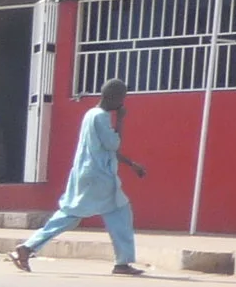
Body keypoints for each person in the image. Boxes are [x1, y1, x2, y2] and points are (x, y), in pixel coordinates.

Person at [13, 78, 149, 275]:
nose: (123, 103)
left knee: (98, 214)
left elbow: (104, 149)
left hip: (91, 174)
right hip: (98, 177)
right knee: (88, 214)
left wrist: (131, 164)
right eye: (122, 98)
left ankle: (27, 248)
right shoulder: (101, 117)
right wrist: (120, 119)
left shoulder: (90, 115)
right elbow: (113, 144)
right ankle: (27, 248)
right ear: (114, 98)